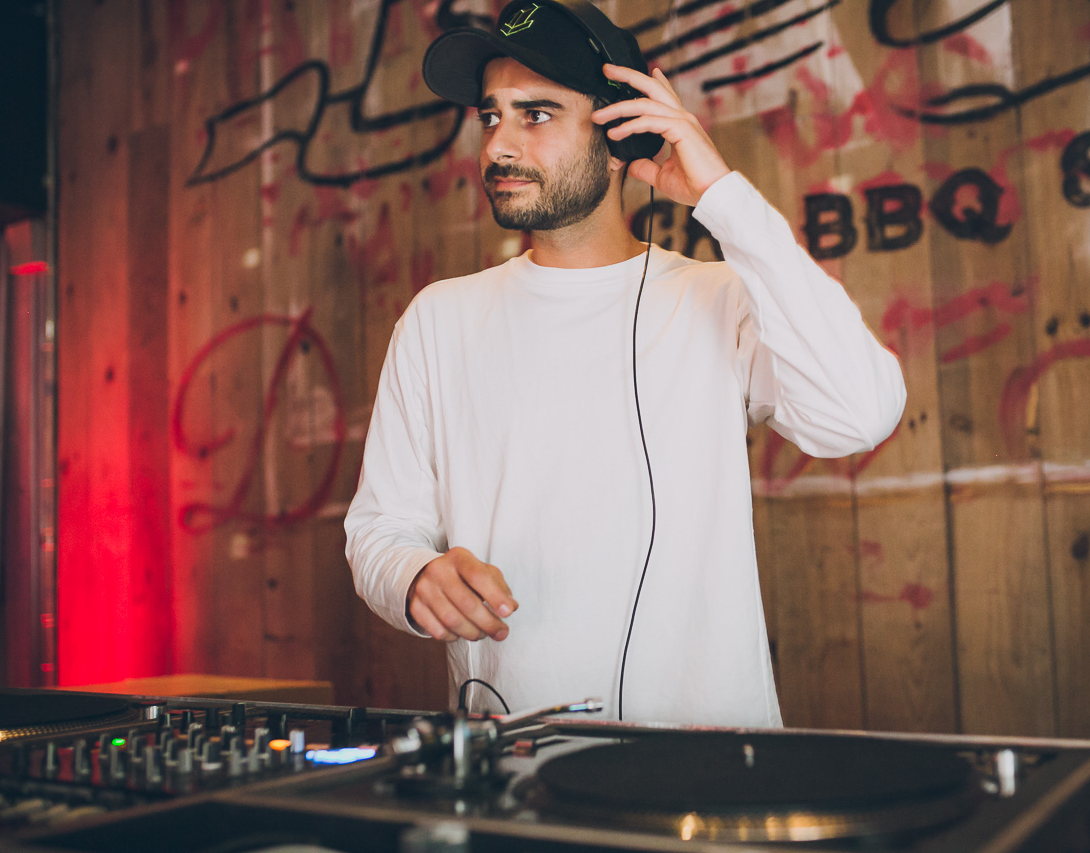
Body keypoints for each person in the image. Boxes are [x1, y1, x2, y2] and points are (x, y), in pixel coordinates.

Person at [345, 0, 905, 727]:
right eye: (490, 117)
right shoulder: (437, 319)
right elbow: (380, 529)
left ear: (621, 137)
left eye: (535, 114)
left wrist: (723, 199)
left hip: (705, 771)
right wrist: (415, 576)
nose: (498, 147)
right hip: (514, 765)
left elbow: (860, 414)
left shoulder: (719, 299)